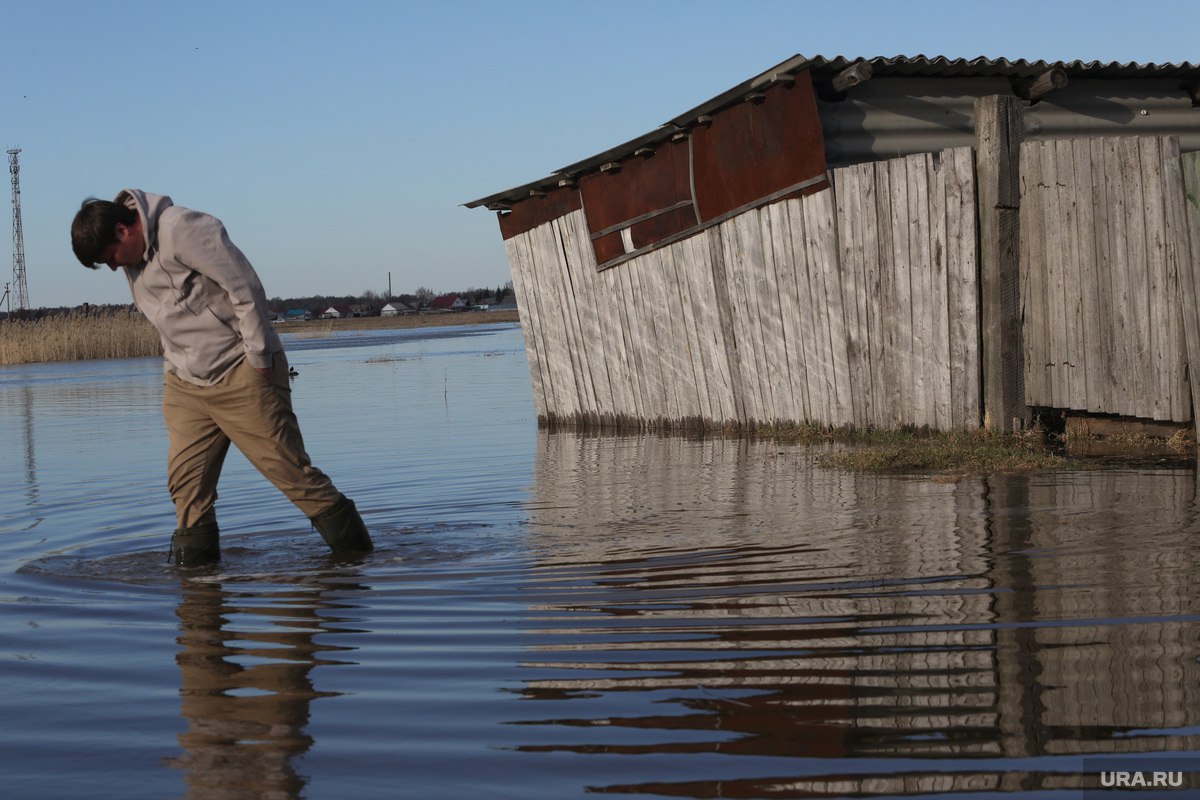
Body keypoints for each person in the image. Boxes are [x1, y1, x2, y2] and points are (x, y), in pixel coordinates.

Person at [71, 189, 373, 565]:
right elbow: (169, 319)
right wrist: (173, 368)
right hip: (185, 384)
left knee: (292, 474)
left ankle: (361, 565)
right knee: (187, 489)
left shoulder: (183, 228)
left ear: (122, 231)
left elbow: (245, 287)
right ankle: (198, 591)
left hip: (241, 371)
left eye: (109, 259)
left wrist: (260, 357)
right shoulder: (133, 259)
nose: (114, 268)